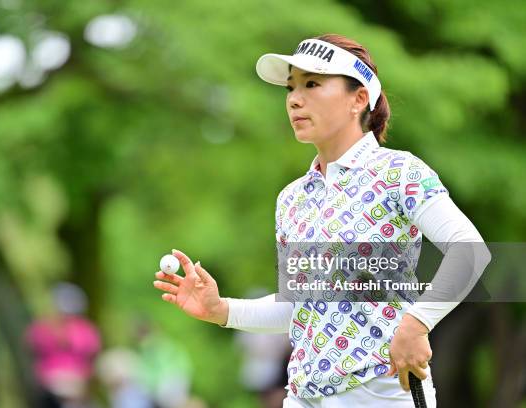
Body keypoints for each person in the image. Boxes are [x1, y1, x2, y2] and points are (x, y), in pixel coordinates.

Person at [153, 34, 491, 407]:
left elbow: (470, 251)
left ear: (358, 98)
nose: (295, 99)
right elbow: (297, 304)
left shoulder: (400, 172)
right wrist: (222, 310)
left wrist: (417, 322)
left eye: (312, 84)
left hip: (381, 392)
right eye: (291, 87)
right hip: (304, 395)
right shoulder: (292, 198)